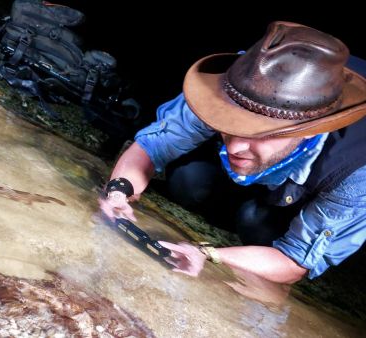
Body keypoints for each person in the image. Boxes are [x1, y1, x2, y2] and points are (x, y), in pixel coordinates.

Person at [99, 21, 366, 284]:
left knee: (257, 225)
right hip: (239, 178)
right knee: (188, 181)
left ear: (309, 129)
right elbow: (154, 144)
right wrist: (118, 191)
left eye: (261, 133)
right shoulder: (247, 80)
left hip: (294, 200)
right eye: (230, 124)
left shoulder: (357, 171)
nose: (234, 146)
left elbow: (295, 260)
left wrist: (208, 253)